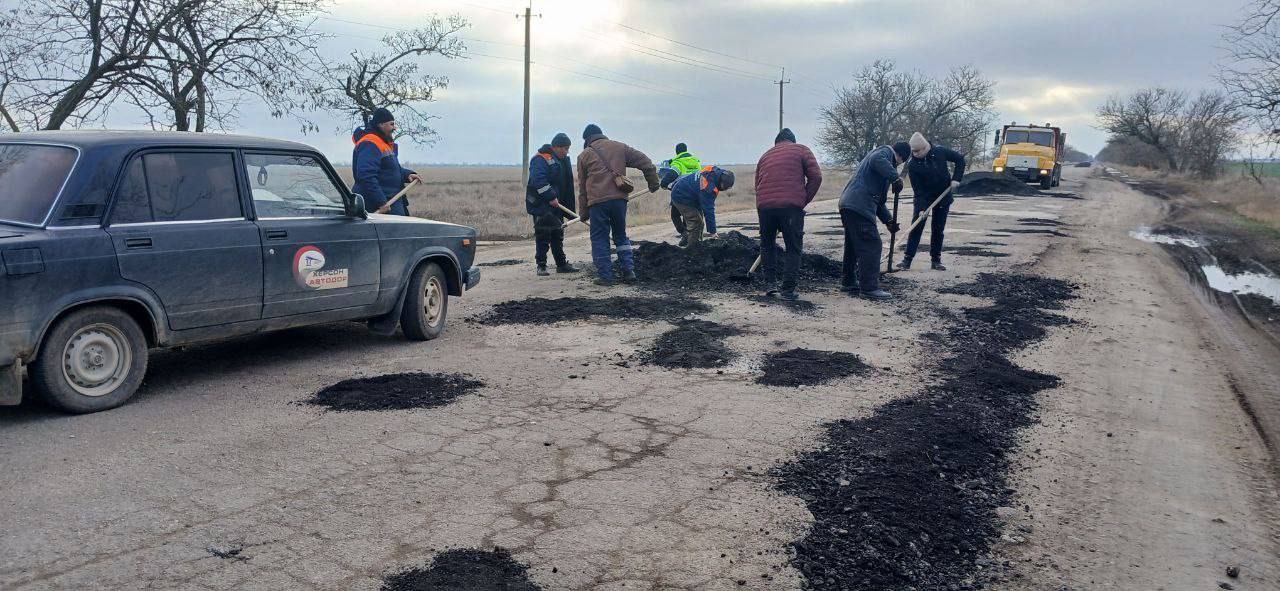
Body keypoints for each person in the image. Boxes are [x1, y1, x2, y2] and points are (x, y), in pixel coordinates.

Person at [576, 123, 660, 286]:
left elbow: (582, 187)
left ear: (586, 139)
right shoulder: (620, 147)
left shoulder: (584, 156)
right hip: (619, 200)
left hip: (597, 203)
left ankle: (606, 277)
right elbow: (646, 162)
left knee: (599, 238)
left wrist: (583, 212)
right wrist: (653, 182)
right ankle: (629, 271)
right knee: (620, 235)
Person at [753, 128, 822, 301]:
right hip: (790, 207)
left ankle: (770, 286)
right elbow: (816, 177)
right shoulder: (802, 150)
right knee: (793, 247)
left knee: (767, 245)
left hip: (765, 207)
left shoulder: (765, 155)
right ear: (793, 140)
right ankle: (788, 290)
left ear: (777, 142)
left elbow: (757, 184)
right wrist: (803, 200)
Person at [838, 142, 908, 300]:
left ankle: (848, 281)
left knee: (853, 246)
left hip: (848, 204)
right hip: (859, 205)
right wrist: (895, 178)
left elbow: (879, 202)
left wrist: (889, 220)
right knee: (872, 245)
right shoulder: (884, 152)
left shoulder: (878, 170)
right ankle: (869, 288)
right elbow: (877, 159)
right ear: (901, 158)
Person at [900, 132, 966, 271]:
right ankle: (907, 260)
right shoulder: (912, 165)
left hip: (943, 195)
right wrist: (922, 208)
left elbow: (960, 160)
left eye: (917, 151)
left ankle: (936, 260)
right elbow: (918, 190)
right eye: (913, 151)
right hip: (925, 197)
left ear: (925, 148)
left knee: (938, 228)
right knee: (916, 226)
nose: (915, 154)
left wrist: (956, 179)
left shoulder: (940, 152)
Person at [526, 133, 581, 276]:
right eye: (565, 148)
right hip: (542, 205)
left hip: (557, 205)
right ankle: (541, 265)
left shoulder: (561, 160)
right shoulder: (540, 159)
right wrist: (550, 197)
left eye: (568, 149)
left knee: (558, 233)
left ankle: (561, 264)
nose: (567, 151)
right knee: (543, 235)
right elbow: (539, 181)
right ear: (556, 147)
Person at [351, 107, 420, 216]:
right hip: (379, 205)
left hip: (391, 201)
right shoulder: (370, 143)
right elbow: (366, 176)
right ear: (381, 124)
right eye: (391, 124)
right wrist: (380, 201)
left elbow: (390, 169)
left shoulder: (383, 143)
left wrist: (407, 175)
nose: (394, 128)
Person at [670, 165, 735, 246]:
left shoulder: (714, 171)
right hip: (681, 196)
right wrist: (713, 232)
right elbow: (708, 210)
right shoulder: (708, 187)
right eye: (725, 187)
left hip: (689, 192)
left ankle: (696, 243)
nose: (725, 190)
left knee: (700, 221)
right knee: (696, 222)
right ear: (721, 182)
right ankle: (693, 249)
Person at [665, 143, 702, 245]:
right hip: (694, 194)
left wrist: (664, 183)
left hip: (680, 193)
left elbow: (672, 174)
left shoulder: (678, 162)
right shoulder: (696, 162)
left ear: (677, 151)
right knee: (689, 215)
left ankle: (684, 233)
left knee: (675, 215)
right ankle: (689, 238)